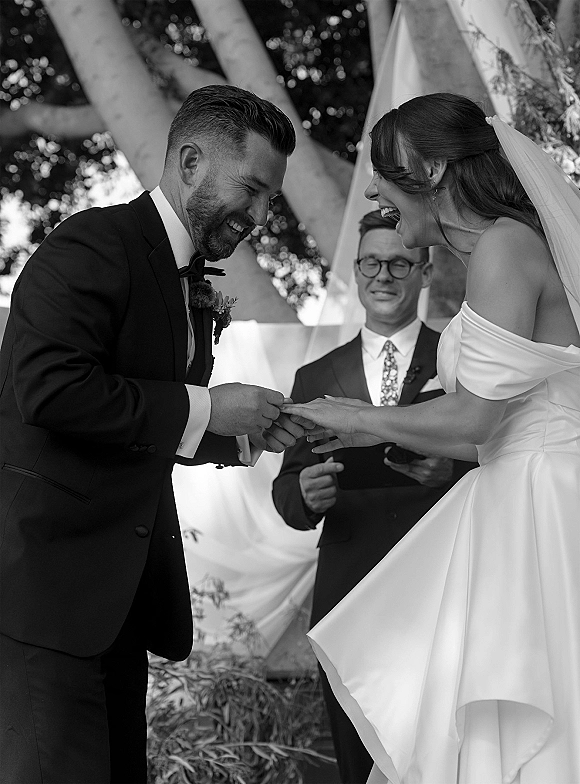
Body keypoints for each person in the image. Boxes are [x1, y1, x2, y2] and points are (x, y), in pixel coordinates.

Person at [0, 85, 307, 784]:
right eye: (252, 190)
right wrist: (208, 408)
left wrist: (250, 431)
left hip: (117, 604)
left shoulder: (185, 277)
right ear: (191, 162)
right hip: (45, 596)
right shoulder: (92, 245)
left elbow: (136, 422)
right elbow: (49, 391)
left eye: (271, 199)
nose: (262, 216)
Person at [283, 93, 580, 783]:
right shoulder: (499, 249)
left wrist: (356, 417)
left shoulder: (503, 246)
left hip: (540, 510)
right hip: (513, 496)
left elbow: (476, 419)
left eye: (383, 174)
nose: (375, 194)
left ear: (431, 169)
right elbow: (489, 428)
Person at [272, 209, 475, 783]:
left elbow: (496, 454)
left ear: (426, 272)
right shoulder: (316, 376)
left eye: (399, 263)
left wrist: (451, 470)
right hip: (348, 585)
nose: (383, 275)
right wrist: (304, 493)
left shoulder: (457, 361)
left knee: (440, 749)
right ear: (356, 272)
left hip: (438, 579)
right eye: (370, 263)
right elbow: (286, 490)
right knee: (355, 748)